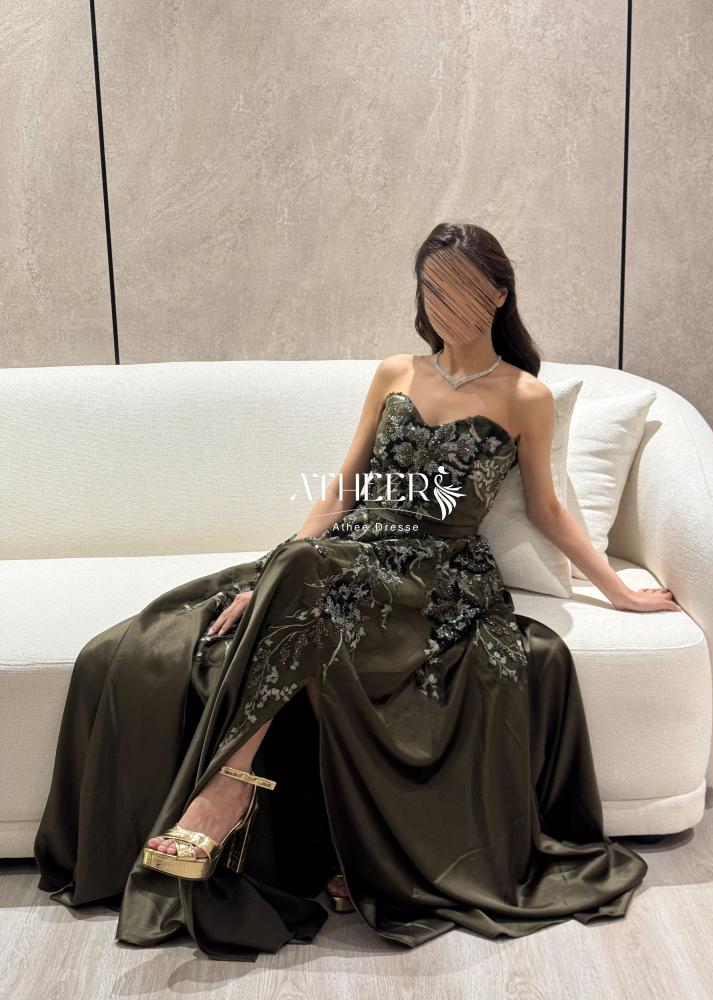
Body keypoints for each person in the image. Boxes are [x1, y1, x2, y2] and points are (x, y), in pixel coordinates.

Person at [34, 222, 679, 960]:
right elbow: (341, 489)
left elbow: (549, 510)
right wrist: (271, 574)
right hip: (353, 551)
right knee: (274, 581)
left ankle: (225, 793)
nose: (443, 306)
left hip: (438, 578)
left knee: (312, 573)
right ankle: (234, 787)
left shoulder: (525, 395)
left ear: (499, 294)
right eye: (431, 291)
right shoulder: (395, 371)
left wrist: (616, 589)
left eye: (461, 290)